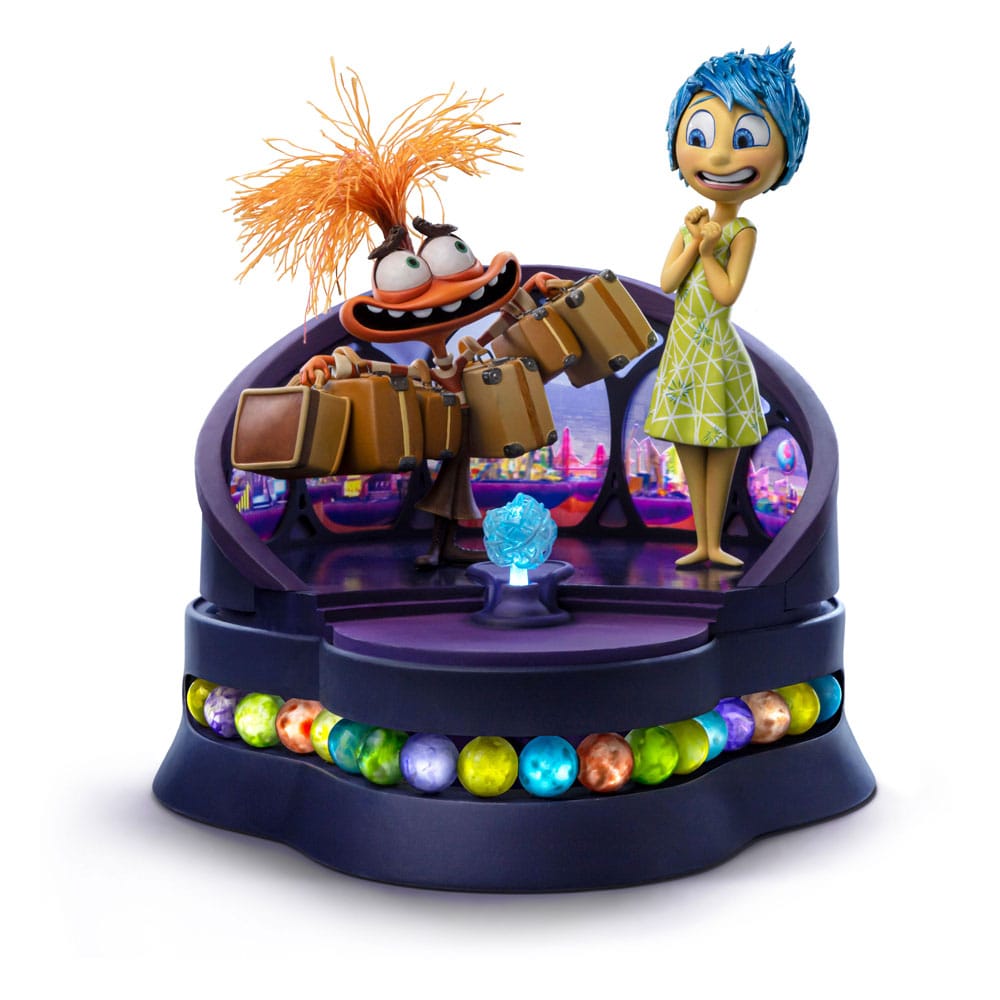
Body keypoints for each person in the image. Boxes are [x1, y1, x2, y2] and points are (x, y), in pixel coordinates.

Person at [644, 45, 809, 567]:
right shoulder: (691, 226)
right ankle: (701, 542)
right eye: (699, 137)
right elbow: (667, 281)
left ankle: (715, 543)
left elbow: (726, 293)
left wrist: (709, 249)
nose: (717, 158)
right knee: (688, 445)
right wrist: (694, 242)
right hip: (683, 351)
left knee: (721, 447)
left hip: (717, 352)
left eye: (743, 140)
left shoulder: (742, 231)